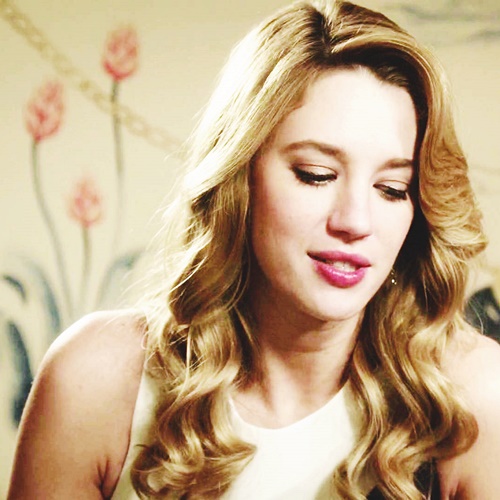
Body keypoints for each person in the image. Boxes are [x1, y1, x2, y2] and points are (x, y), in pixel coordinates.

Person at [8, 0, 500, 498]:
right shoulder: (99, 379)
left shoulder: (471, 396)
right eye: (316, 175)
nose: (355, 222)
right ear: (241, 178)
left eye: (392, 189)